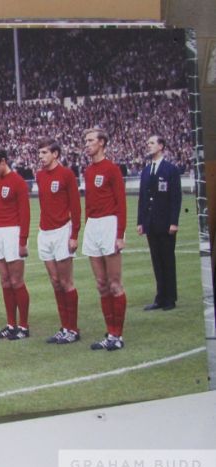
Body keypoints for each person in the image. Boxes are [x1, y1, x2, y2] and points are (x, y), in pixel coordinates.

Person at [82, 128, 127, 351]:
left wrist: (120, 234)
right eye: (86, 141)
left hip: (109, 224)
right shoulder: (88, 171)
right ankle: (110, 333)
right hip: (93, 225)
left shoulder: (112, 169)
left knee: (114, 283)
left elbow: (121, 203)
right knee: (101, 284)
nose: (87, 144)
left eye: (90, 140)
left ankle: (118, 335)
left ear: (101, 142)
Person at [36, 138, 82, 344]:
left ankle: (73, 329)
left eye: (44, 152)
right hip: (44, 233)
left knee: (66, 282)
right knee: (55, 282)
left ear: (55, 154)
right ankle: (64, 327)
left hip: (62, 231)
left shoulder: (66, 174)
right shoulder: (39, 175)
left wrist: (74, 235)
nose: (41, 156)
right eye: (39, 153)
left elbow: (75, 206)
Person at [0, 147, 32, 341]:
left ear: (4, 161)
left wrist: (22, 240)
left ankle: (23, 326)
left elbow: (25, 213)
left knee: (16, 281)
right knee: (5, 280)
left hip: (13, 232)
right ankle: (11, 324)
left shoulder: (18, 182)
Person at [137, 135, 181, 311]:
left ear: (161, 146)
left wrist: (174, 222)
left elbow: (175, 198)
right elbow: (142, 198)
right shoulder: (146, 170)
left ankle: (170, 298)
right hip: (151, 223)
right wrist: (140, 221)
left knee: (167, 260)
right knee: (156, 261)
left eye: (152, 143)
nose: (148, 145)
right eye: (147, 143)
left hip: (165, 222)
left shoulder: (171, 169)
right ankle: (160, 297)